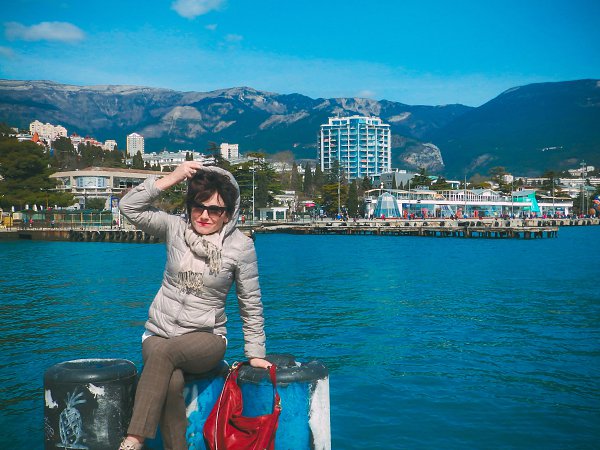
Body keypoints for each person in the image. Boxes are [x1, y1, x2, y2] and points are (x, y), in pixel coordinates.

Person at [118, 161, 271, 450]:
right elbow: (129, 207)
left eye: (215, 210)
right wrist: (172, 177)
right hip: (159, 332)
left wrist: (255, 353)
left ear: (228, 214)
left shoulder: (240, 246)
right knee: (171, 381)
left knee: (164, 355)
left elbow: (250, 302)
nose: (204, 215)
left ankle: (134, 439)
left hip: (206, 337)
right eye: (198, 206)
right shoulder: (175, 228)